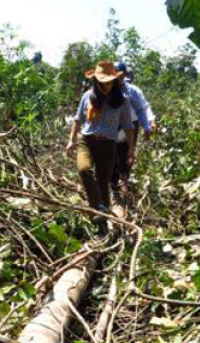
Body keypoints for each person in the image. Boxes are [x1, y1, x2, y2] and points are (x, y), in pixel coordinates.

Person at [66, 61, 136, 236]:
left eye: (109, 81)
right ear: (95, 81)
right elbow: (77, 119)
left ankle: (103, 226)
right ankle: (98, 208)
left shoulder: (122, 101)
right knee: (84, 170)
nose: (105, 85)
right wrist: (71, 140)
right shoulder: (88, 97)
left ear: (114, 81)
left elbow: (128, 125)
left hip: (108, 145)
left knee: (103, 182)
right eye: (102, 81)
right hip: (87, 141)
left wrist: (131, 149)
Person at [111, 61, 157, 202]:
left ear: (124, 75)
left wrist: (148, 124)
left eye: (120, 74)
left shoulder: (133, 91)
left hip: (131, 126)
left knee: (127, 153)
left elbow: (142, 108)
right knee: (112, 154)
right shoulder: (107, 87)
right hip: (112, 126)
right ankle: (113, 185)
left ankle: (125, 181)